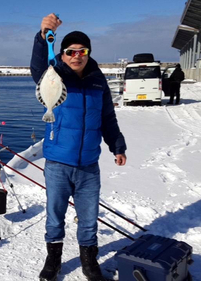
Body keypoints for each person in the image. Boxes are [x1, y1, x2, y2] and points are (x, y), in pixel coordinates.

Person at [30, 14, 127, 281]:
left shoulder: (98, 81)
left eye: (81, 51)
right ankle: (53, 259)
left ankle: (89, 261)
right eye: (70, 51)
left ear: (88, 53)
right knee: (54, 216)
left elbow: (108, 117)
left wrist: (117, 145)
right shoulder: (54, 74)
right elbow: (38, 67)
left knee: (88, 218)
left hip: (88, 165)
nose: (76, 56)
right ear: (62, 55)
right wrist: (42, 37)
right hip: (58, 163)